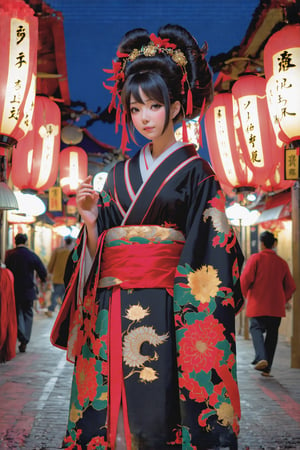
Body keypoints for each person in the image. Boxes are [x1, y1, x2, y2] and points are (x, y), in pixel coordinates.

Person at [51, 24, 244, 450]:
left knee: (157, 415)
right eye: (135, 108)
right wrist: (90, 222)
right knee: (112, 412)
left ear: (176, 106)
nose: (144, 118)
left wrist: (187, 311)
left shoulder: (198, 175)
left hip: (168, 309)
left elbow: (213, 252)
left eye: (154, 106)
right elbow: (101, 247)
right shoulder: (118, 173)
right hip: (111, 308)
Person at [240, 231, 296, 377]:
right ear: (274, 244)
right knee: (272, 335)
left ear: (262, 243)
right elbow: (291, 286)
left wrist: (246, 295)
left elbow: (245, 279)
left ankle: (261, 357)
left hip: (258, 304)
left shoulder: (256, 258)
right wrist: (284, 299)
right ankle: (267, 368)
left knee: (256, 329)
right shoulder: (282, 262)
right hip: (276, 307)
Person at [5, 233, 47, 353]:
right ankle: (25, 339)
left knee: (17, 313)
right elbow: (42, 270)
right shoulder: (31, 254)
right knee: (28, 313)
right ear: (26, 241)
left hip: (14, 289)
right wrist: (42, 279)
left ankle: (22, 337)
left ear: (15, 241)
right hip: (28, 289)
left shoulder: (10, 254)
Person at [45, 236, 74, 318]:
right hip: (68, 278)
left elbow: (51, 264)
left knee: (56, 294)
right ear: (71, 243)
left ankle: (51, 310)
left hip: (57, 278)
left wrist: (49, 272)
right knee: (64, 295)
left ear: (64, 242)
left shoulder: (57, 251)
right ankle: (64, 313)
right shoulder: (72, 252)